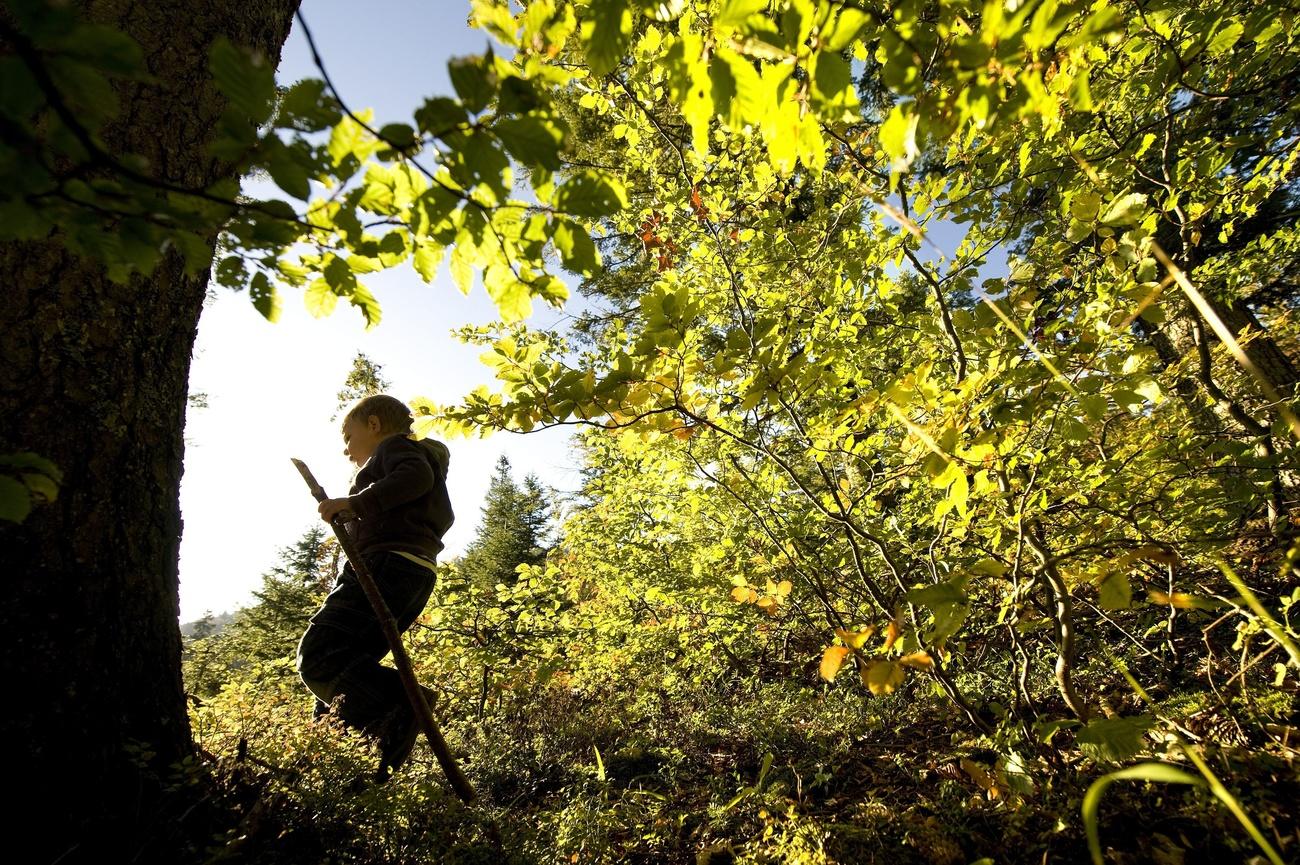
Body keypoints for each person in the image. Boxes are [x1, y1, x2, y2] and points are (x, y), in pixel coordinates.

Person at [295, 393, 454, 777]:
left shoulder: (395, 449)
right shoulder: (396, 459)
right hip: (404, 569)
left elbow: (415, 479)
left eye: (348, 436)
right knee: (349, 662)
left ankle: (402, 704)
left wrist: (354, 504)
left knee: (319, 656)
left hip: (389, 564)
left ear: (374, 425)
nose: (345, 448)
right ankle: (342, 762)